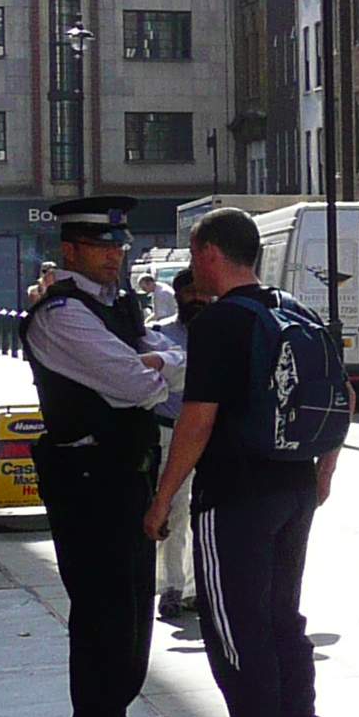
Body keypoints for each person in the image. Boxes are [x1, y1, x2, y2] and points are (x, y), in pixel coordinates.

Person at [145, 205, 346, 717]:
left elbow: (196, 421)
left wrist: (161, 500)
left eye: (192, 253)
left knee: (234, 629)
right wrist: (323, 472)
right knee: (284, 618)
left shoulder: (218, 324)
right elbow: (344, 396)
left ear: (208, 253)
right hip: (293, 488)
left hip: (233, 495)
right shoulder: (295, 310)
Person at [20, 197, 178, 717]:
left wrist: (157, 360)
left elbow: (152, 367)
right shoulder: (63, 313)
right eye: (103, 247)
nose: (116, 256)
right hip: (88, 479)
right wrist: (161, 362)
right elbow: (136, 385)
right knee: (104, 620)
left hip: (123, 472)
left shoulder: (113, 305)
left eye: (119, 246)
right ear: (71, 251)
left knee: (133, 614)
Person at [144, 265, 205, 620]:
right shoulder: (159, 335)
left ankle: (198, 589)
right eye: (190, 292)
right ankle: (171, 588)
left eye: (202, 293)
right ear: (178, 295)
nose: (197, 298)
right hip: (171, 431)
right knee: (174, 509)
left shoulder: (221, 333)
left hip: (212, 435)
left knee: (204, 513)